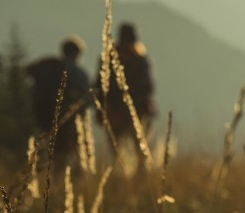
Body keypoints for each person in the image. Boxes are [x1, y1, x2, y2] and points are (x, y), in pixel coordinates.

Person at [26, 35, 91, 170]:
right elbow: (86, 98)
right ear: (77, 53)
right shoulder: (77, 73)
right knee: (76, 155)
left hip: (47, 119)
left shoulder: (50, 69)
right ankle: (75, 183)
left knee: (55, 154)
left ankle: (55, 183)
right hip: (70, 121)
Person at [96, 21, 155, 156]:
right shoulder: (139, 56)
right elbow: (148, 86)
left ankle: (119, 172)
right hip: (137, 108)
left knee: (116, 151)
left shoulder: (108, 57)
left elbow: (99, 85)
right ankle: (140, 174)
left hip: (113, 110)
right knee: (140, 149)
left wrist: (101, 110)